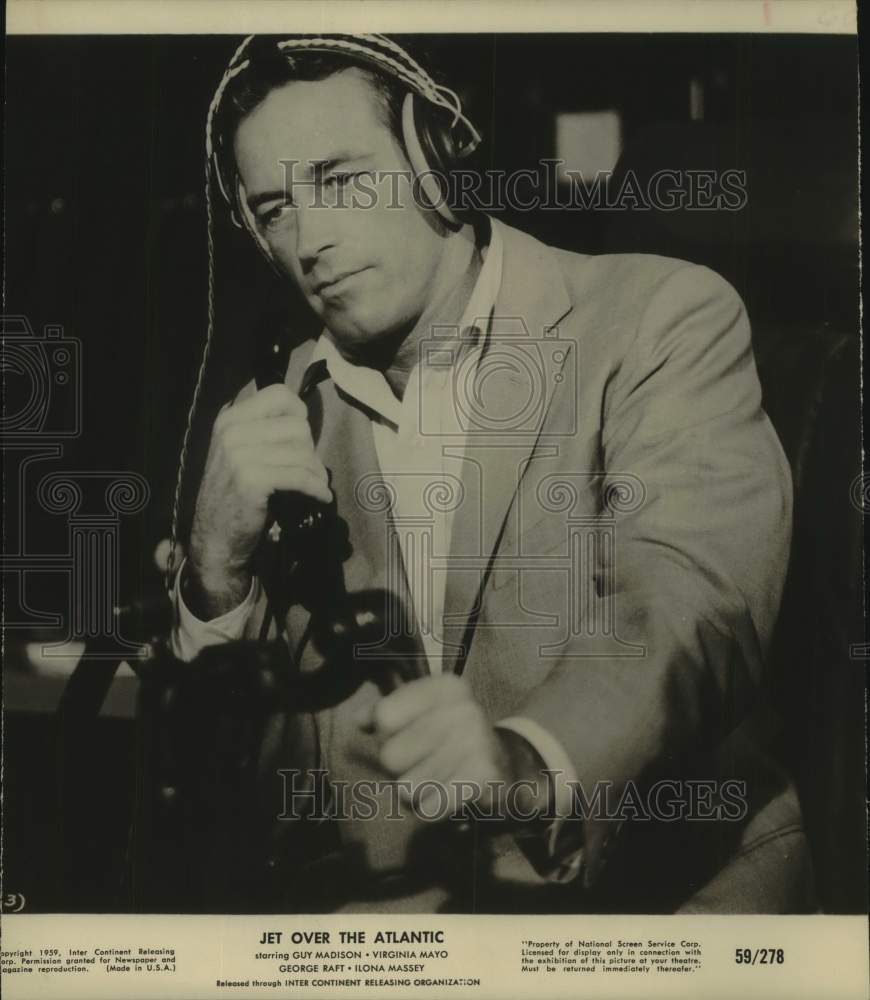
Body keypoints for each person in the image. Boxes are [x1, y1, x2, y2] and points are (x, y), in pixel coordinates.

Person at [169, 33, 814, 913]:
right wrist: (215, 576)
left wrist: (528, 759)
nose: (311, 239)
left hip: (666, 899)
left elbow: (690, 606)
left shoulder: (658, 318)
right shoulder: (277, 419)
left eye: (342, 179)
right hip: (410, 917)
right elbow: (253, 790)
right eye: (276, 208)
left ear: (435, 162)